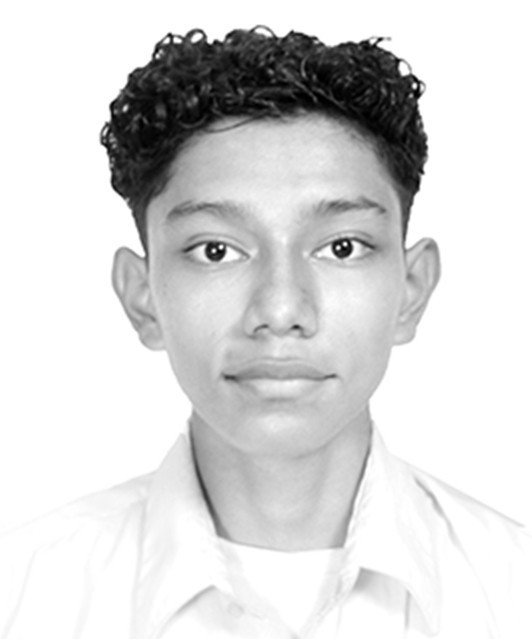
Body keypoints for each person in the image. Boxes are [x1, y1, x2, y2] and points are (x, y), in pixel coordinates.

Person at [1, 26, 530, 639]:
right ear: (142, 297)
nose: (280, 310)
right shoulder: (22, 595)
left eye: (341, 247)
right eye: (217, 250)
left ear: (411, 290)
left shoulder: (514, 592)